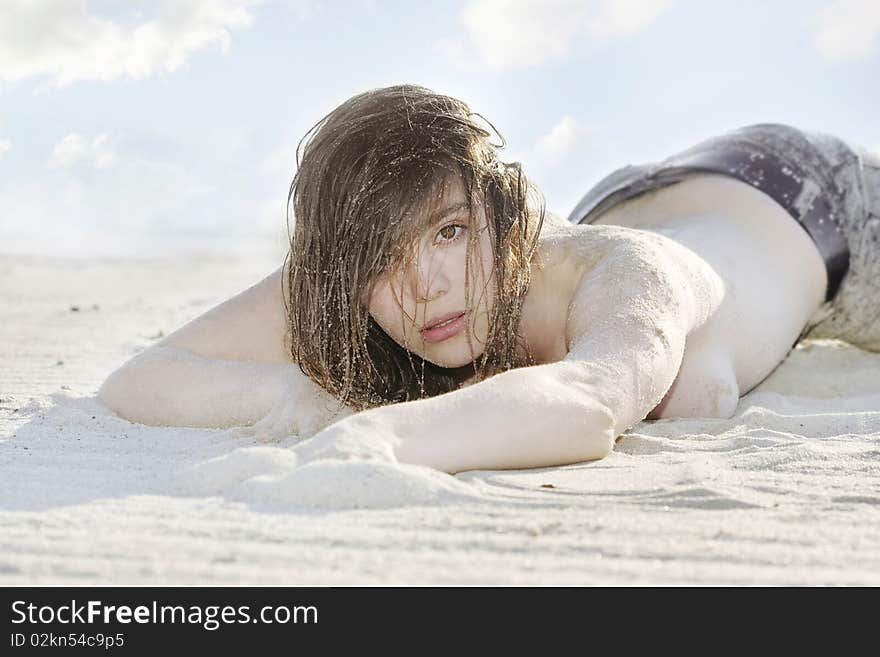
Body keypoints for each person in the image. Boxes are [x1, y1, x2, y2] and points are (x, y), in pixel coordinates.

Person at [96, 84, 880, 474]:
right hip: (638, 194)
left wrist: (373, 436)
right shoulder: (358, 272)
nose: (423, 286)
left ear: (507, 217)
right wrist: (281, 394)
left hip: (821, 204)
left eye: (450, 232)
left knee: (689, 384)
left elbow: (586, 403)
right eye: (379, 256)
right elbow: (142, 377)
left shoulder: (629, 275)